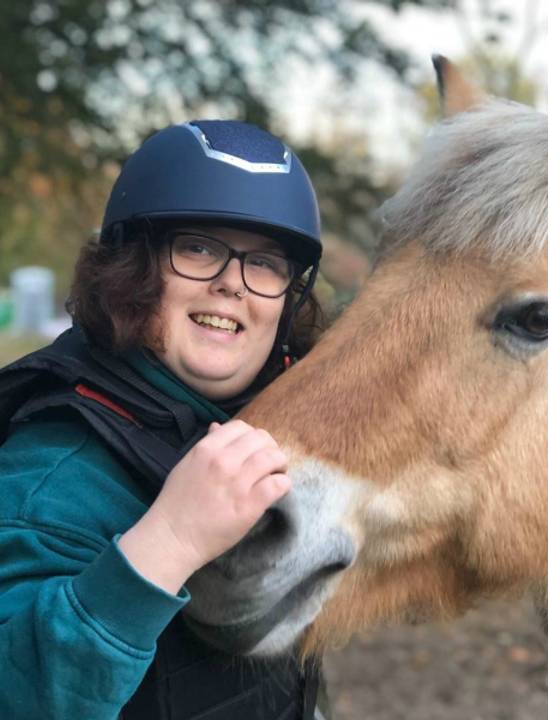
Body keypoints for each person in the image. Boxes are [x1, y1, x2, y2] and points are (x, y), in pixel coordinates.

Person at [0, 120, 328, 719]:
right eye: (198, 248)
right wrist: (169, 541)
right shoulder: (53, 473)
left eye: (265, 262)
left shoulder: (261, 431)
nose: (233, 283)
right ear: (132, 268)